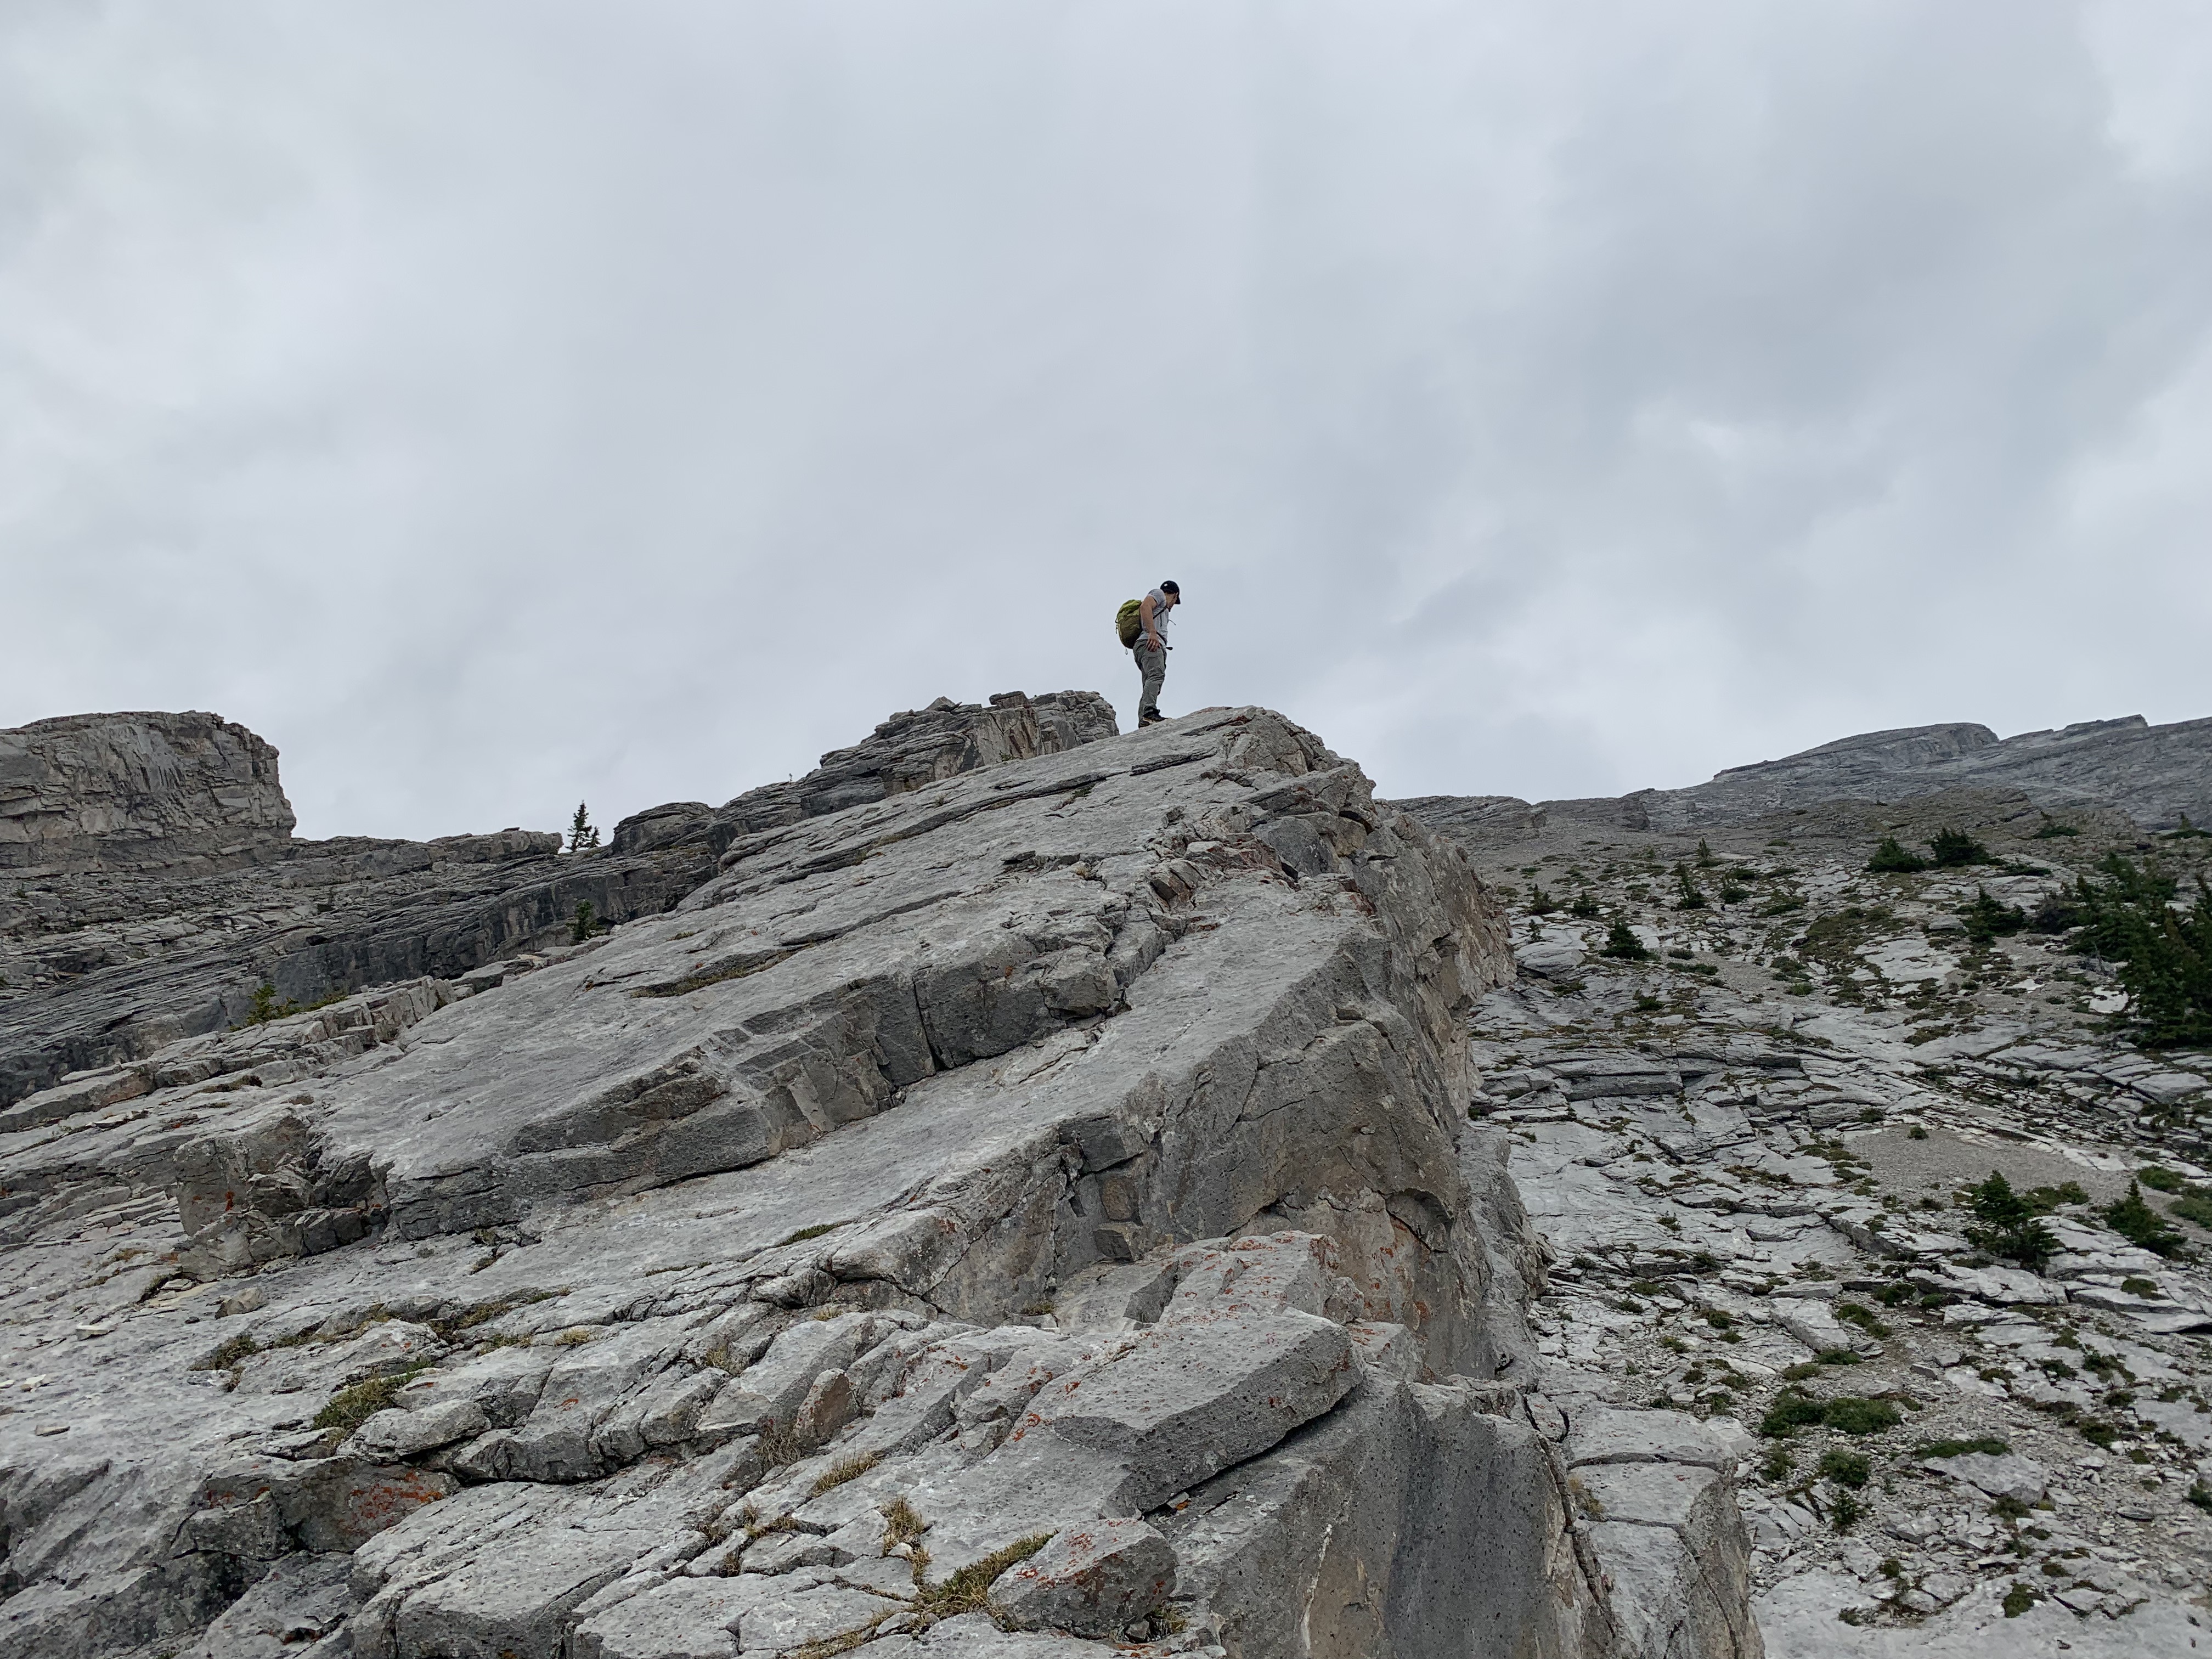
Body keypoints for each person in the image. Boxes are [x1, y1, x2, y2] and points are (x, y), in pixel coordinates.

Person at [1133, 580, 1180, 726]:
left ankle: (1144, 721)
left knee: (1150, 681)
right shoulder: (1159, 594)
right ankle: (1149, 714)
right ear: (1175, 595)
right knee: (1156, 676)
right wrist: (1153, 633)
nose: (1172, 607)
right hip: (1151, 643)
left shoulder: (1161, 606)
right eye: (1175, 602)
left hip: (1146, 645)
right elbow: (1145, 606)